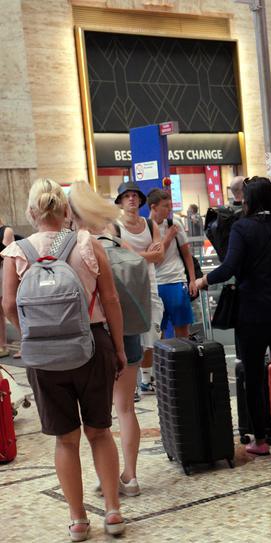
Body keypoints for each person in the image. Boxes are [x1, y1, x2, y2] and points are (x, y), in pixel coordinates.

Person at [1, 179, 127, 541]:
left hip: (44, 356)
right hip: (92, 346)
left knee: (65, 440)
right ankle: (114, 513)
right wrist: (118, 348)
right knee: (100, 432)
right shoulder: (88, 244)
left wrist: (31, 334)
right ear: (66, 212)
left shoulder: (16, 252)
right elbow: (112, 300)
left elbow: (9, 305)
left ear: (31, 212)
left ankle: (77, 520)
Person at [193, 177, 271, 464]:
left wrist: (203, 280)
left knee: (254, 378)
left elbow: (230, 267)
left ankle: (260, 440)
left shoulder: (242, 227)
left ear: (248, 201)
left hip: (254, 314)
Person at [70, 181, 145, 498]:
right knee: (126, 408)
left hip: (96, 336)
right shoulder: (117, 241)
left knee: (99, 417)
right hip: (129, 333)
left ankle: (108, 476)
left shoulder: (75, 246)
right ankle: (130, 475)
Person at [114, 182, 163, 394]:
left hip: (150, 284)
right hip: (126, 286)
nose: (132, 199)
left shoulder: (150, 224)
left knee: (152, 333)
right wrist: (146, 254)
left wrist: (137, 254)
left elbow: (159, 255)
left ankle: (146, 379)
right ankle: (130, 384)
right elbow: (122, 255)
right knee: (128, 335)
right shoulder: (115, 226)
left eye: (135, 195)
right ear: (121, 201)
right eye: (127, 196)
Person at [147, 189, 197, 340]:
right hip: (154, 284)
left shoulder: (175, 223)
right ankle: (161, 363)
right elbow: (155, 258)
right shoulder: (145, 227)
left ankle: (184, 361)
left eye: (170, 206)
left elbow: (187, 255)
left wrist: (192, 280)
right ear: (153, 207)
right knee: (157, 332)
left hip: (176, 280)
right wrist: (168, 238)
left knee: (182, 331)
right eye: (165, 206)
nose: (169, 210)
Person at [0, 221, 17, 358]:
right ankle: (2, 345)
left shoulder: (6, 230)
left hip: (3, 273)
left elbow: (7, 254)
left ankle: (3, 346)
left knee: (8, 309)